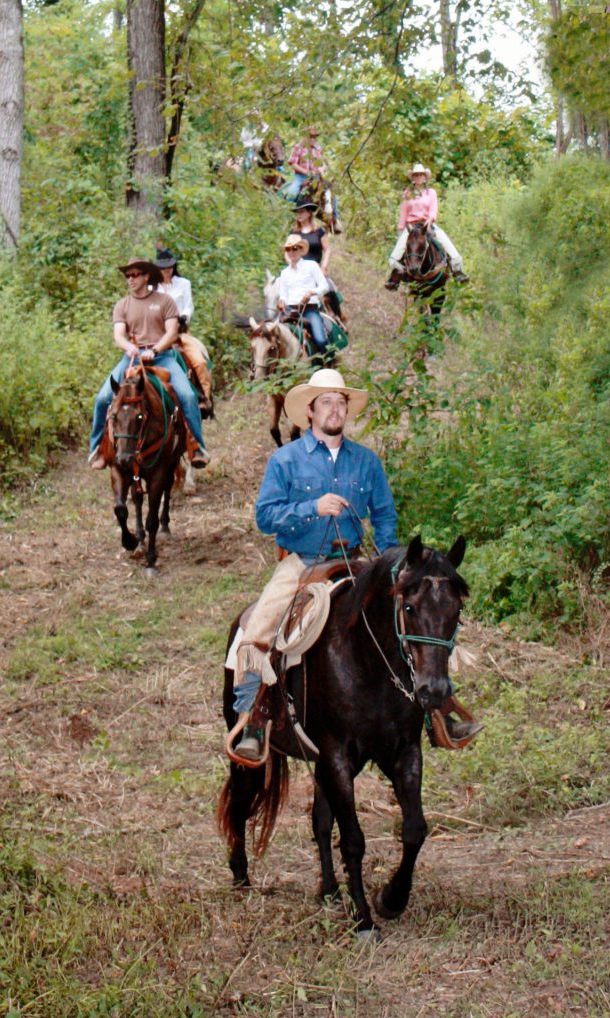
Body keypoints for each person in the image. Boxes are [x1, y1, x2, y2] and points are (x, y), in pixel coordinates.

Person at [231, 368, 398, 760]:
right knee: (260, 627)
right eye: (326, 402)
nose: (335, 409)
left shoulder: (366, 462)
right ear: (310, 411)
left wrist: (388, 558)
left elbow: (385, 515)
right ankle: (252, 720)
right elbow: (265, 518)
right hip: (302, 564)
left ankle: (432, 710)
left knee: (408, 616)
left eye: (341, 402)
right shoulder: (285, 460)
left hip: (355, 560)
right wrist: (312, 508)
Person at [88, 257, 209, 470]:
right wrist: (129, 347)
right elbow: (118, 335)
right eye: (128, 276)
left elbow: (172, 332)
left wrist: (155, 350)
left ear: (146, 277)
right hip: (131, 358)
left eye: (135, 275)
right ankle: (97, 448)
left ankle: (197, 445)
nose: (131, 279)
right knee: (103, 398)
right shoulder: (122, 305)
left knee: (188, 395)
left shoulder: (165, 302)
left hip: (163, 357)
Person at [385, 164, 469, 289]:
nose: (419, 177)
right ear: (413, 178)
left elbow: (433, 209)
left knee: (446, 242)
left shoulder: (431, 193)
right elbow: (404, 213)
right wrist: (401, 229)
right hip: (412, 227)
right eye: (416, 175)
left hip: (427, 224)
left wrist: (430, 220)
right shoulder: (407, 194)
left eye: (421, 175)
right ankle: (395, 278)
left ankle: (457, 271)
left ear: (425, 177)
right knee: (396, 254)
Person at [154, 248, 214, 417]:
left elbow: (188, 305)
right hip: (158, 335)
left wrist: (184, 317)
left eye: (170, 267)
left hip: (180, 333)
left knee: (199, 362)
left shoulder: (184, 283)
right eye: (163, 268)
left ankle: (204, 398)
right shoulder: (152, 288)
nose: (167, 271)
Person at [275, 233, 331, 358]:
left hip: (309, 310)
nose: (292, 252)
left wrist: (312, 292)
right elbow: (283, 295)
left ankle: (328, 365)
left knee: (321, 339)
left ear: (301, 250)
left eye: (295, 248)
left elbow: (324, 286)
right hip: (289, 311)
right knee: (269, 335)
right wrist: (281, 301)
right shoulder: (284, 273)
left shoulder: (311, 266)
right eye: (289, 249)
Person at [293, 201, 344, 322]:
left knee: (329, 288)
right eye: (298, 212)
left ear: (309, 213)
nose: (299, 215)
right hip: (298, 269)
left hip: (315, 269)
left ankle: (336, 318)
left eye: (302, 212)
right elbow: (288, 251)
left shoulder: (319, 231)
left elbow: (327, 249)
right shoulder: (294, 233)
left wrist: (324, 267)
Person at [284, 126, 341, 231]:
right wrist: (306, 172)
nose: (313, 139)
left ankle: (335, 220)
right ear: (305, 137)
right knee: (292, 193)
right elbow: (293, 163)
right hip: (301, 176)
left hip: (316, 176)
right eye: (311, 137)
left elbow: (322, 163)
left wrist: (321, 169)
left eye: (315, 137)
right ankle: (289, 219)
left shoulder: (318, 148)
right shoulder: (298, 147)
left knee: (331, 191)